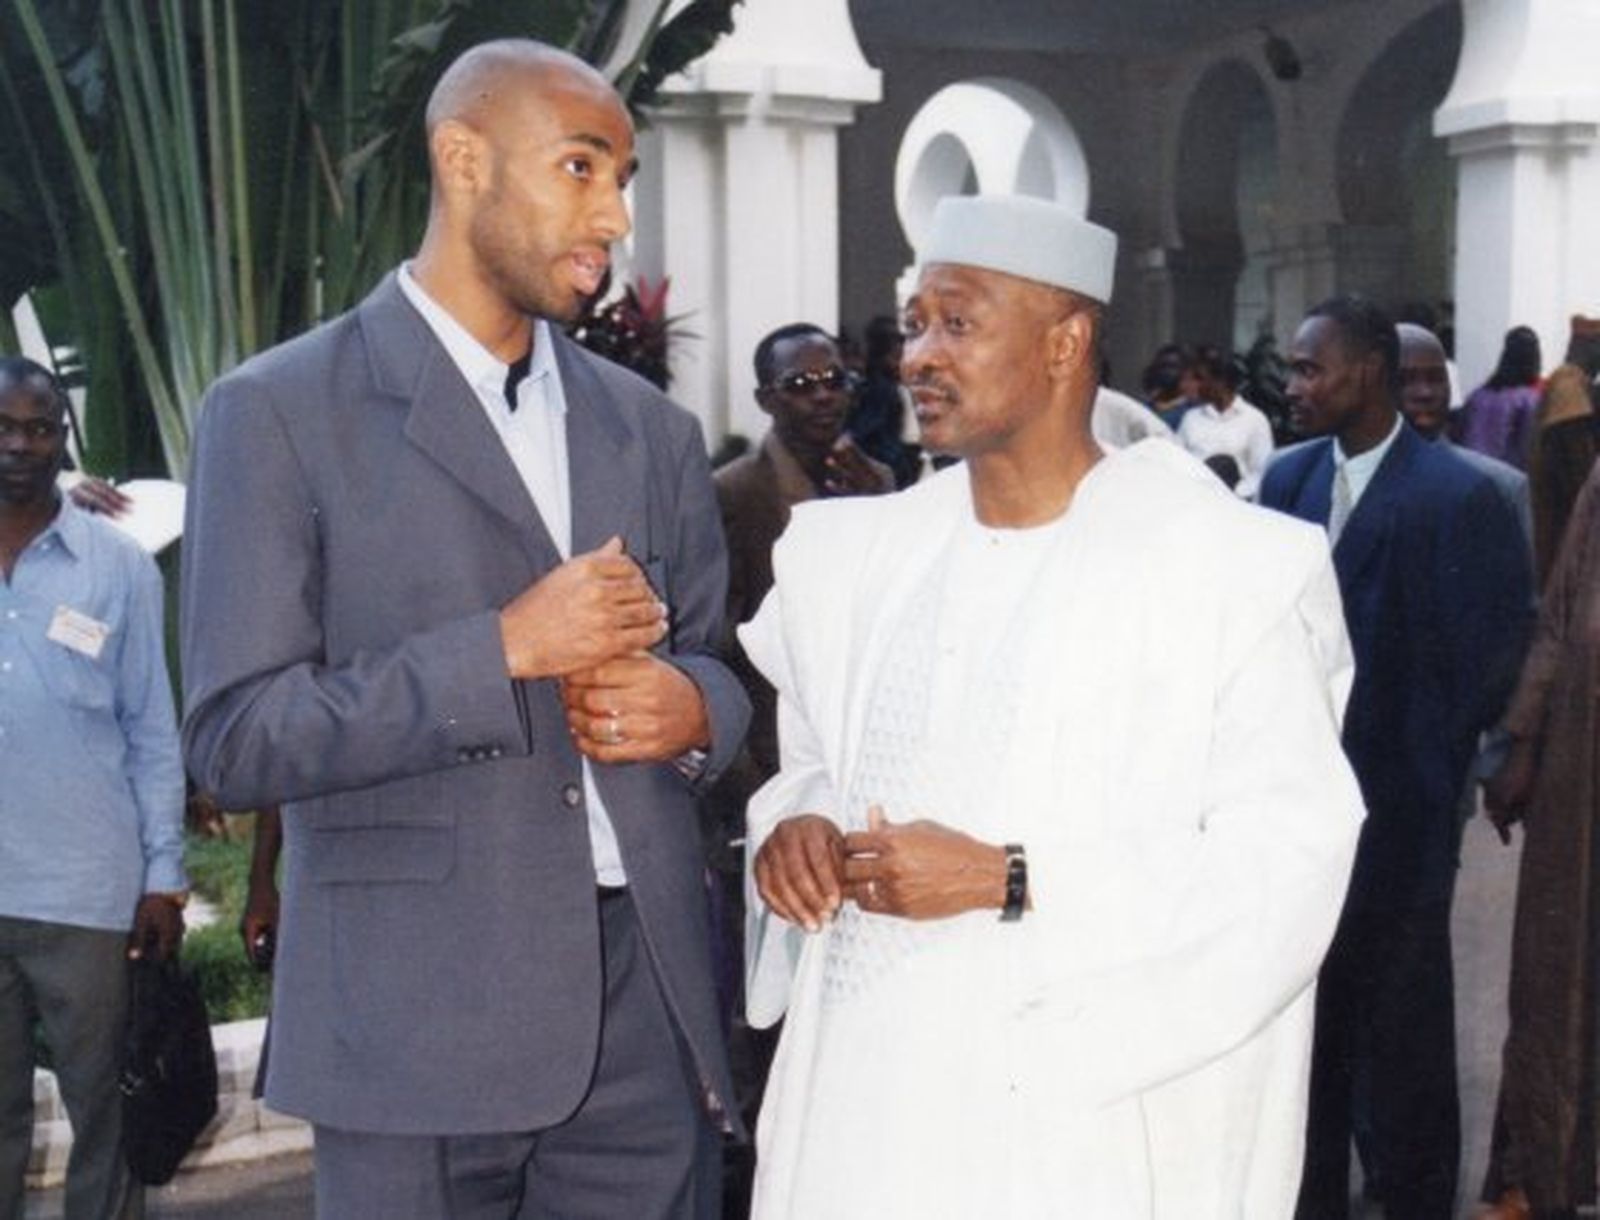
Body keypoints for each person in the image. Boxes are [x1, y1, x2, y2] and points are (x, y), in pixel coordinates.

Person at [179, 40, 749, 1218]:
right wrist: (497, 650)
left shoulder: (649, 429)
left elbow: (723, 669)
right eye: (582, 168)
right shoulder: (276, 411)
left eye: (624, 177)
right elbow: (234, 736)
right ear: (463, 159)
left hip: (645, 1013)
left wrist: (691, 707)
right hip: (413, 1025)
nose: (616, 217)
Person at [743, 194, 1364, 1219]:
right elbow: (813, 763)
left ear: (1067, 339)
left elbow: (1284, 858)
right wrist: (793, 827)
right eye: (913, 324)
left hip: (1078, 1107)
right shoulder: (856, 561)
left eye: (958, 321)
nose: (916, 357)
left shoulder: (1224, 572)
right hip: (869, 1095)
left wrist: (1009, 875)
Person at [1260, 297, 1535, 1220]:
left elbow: (1486, 660)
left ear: (1367, 373)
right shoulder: (1287, 480)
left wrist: (1426, 772)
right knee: (1310, 1043)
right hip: (1296, 823)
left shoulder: (1460, 495)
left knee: (1405, 1048)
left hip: (1403, 820)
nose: (1293, 386)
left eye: (1310, 368)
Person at [706, 322, 893, 1213]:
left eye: (834, 380)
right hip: (767, 798)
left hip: (860, 800)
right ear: (767, 400)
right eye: (802, 383)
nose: (823, 396)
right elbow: (719, 648)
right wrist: (752, 802)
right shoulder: (735, 496)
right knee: (765, 1034)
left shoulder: (877, 487)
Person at [0, 356, 187, 1220]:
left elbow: (152, 731)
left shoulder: (117, 567)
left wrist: (163, 877)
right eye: (4, 426)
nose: (19, 444)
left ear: (62, 438)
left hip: (88, 894)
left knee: (106, 1120)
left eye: (40, 427)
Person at [1477, 459, 1600, 1220]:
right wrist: (1521, 739)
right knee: (1560, 972)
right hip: (1583, 766)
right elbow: (1560, 612)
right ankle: (1538, 1171)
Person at [1176, 345, 1276, 498]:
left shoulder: (1255, 420)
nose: (1193, 385)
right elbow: (1176, 463)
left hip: (1237, 504)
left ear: (1220, 381)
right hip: (1193, 500)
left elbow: (1261, 472)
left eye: (1200, 378)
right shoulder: (1190, 418)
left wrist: (1233, 495)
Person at [1459, 325, 1543, 469]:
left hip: (1468, 474)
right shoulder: (1529, 401)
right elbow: (1529, 450)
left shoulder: (1478, 395)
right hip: (1506, 480)